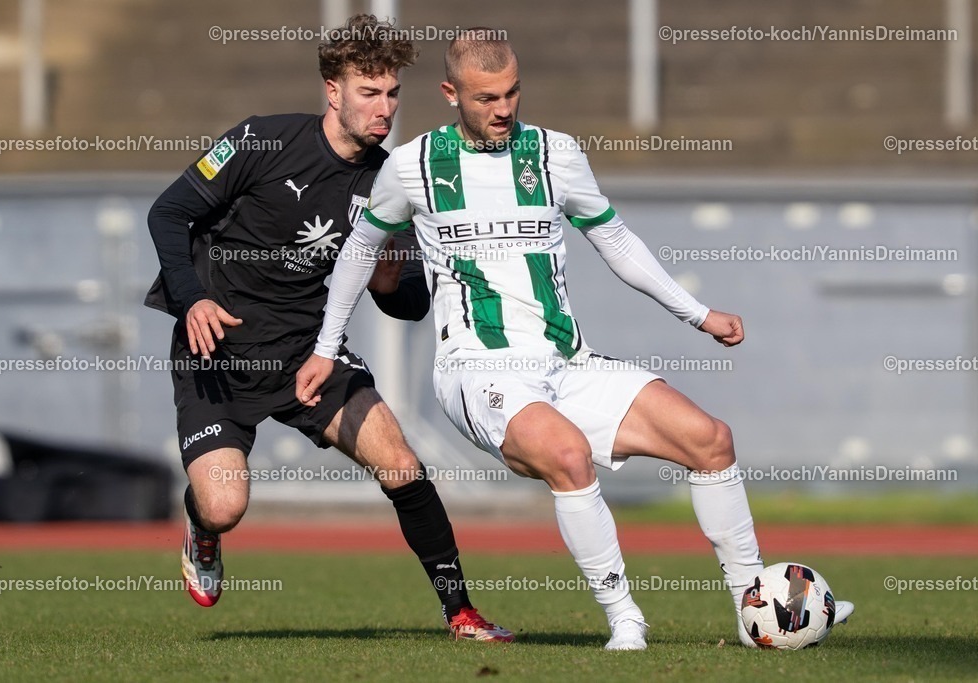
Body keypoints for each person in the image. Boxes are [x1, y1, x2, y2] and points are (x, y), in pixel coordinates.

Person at [296, 28, 854, 650]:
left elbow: (614, 239)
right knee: (568, 456)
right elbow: (360, 250)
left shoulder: (556, 154)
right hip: (478, 369)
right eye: (486, 98)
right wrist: (325, 347)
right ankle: (625, 619)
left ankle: (756, 611)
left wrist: (696, 314)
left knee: (711, 440)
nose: (503, 109)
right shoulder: (414, 166)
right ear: (451, 93)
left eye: (512, 93)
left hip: (567, 362)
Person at [144, 14, 513, 643]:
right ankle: (201, 527)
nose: (385, 108)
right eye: (369, 93)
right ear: (333, 92)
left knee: (400, 463)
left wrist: (393, 281)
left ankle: (461, 613)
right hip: (218, 355)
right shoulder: (261, 141)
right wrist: (193, 301)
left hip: (309, 357)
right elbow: (169, 212)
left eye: (393, 93)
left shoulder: (394, 180)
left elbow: (407, 306)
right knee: (226, 505)